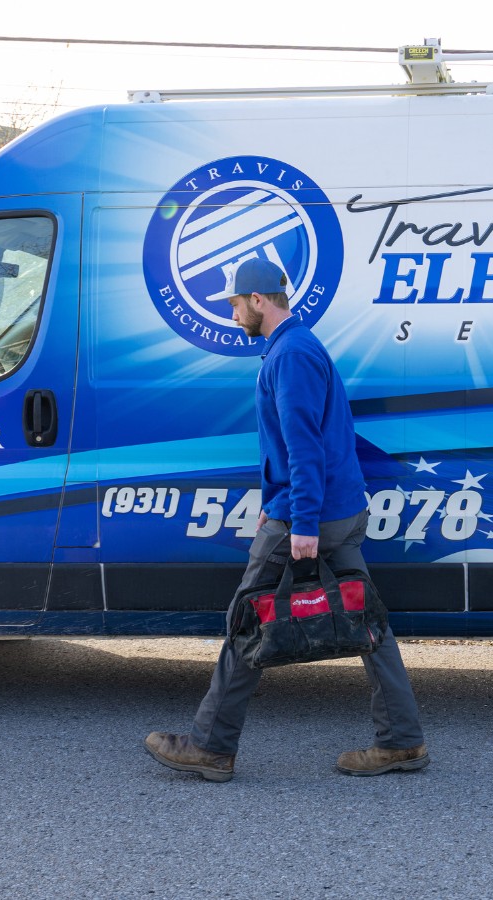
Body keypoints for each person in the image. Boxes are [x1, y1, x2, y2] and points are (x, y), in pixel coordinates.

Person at [145, 257, 427, 783]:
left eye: (234, 303)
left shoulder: (291, 355)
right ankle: (402, 741)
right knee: (368, 624)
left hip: (313, 516)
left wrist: (298, 522)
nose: (231, 313)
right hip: (335, 510)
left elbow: (305, 448)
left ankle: (210, 745)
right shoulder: (295, 346)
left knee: (247, 619)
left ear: (258, 300)